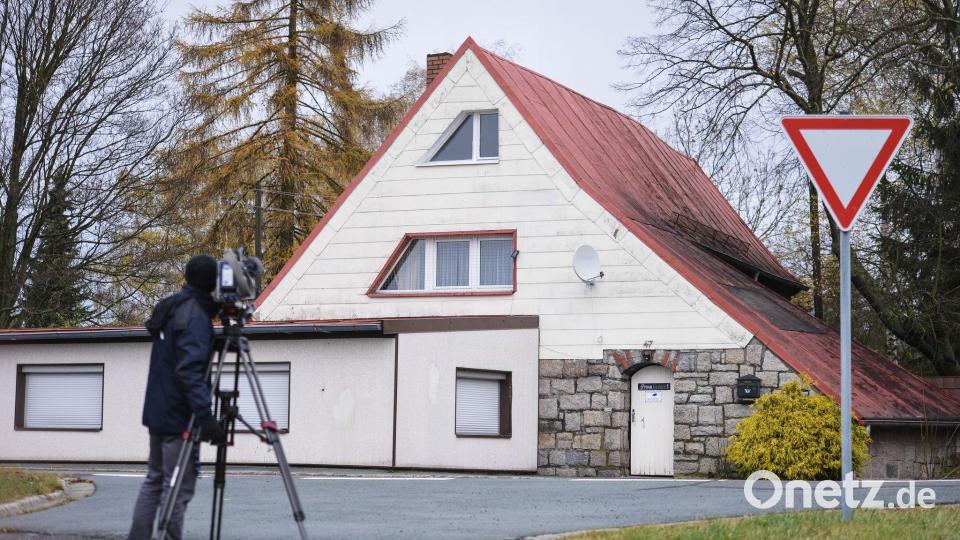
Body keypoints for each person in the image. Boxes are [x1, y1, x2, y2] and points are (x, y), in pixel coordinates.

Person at [128, 255, 227, 540]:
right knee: (177, 488)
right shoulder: (195, 317)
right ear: (213, 282)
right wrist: (205, 415)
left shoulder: (174, 307)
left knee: (155, 481)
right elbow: (190, 371)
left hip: (158, 412)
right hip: (178, 418)